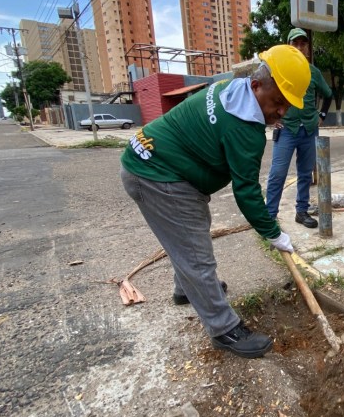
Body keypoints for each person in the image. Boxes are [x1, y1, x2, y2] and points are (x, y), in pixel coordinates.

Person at [120, 44, 311, 358]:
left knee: (187, 236)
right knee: (196, 253)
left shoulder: (229, 89)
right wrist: (274, 234)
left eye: (288, 105)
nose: (282, 112)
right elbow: (247, 191)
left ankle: (187, 291)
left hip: (151, 161)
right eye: (278, 102)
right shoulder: (245, 128)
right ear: (256, 85)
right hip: (157, 173)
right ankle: (224, 329)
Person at [265, 28, 334, 228]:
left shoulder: (313, 72)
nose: (299, 47)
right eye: (295, 43)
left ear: (307, 48)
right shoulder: (278, 69)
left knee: (305, 173)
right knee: (278, 173)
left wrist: (321, 115)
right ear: (288, 46)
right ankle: (270, 217)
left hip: (310, 130)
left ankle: (301, 211)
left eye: (303, 44)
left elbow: (328, 94)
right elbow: (264, 94)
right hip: (286, 128)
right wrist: (271, 118)